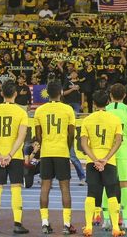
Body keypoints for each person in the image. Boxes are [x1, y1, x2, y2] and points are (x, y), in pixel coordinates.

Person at [0, 80, 30, 234]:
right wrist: (10, 155)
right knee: (16, 189)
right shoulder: (21, 112)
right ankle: (17, 223)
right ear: (16, 94)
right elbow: (21, 136)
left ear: (2, 93)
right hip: (15, 156)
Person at [33, 81, 77, 235]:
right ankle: (66, 224)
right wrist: (67, 146)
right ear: (61, 92)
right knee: (65, 188)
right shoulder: (68, 109)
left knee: (45, 187)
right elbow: (71, 133)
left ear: (48, 93)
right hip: (61, 152)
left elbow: (38, 135)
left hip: (46, 152)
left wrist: (44, 144)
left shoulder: (40, 110)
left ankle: (44, 223)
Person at [79, 90, 124, 237]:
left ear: (93, 104)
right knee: (112, 193)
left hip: (93, 161)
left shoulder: (87, 120)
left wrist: (94, 159)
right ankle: (116, 228)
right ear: (107, 103)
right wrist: (106, 158)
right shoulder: (114, 119)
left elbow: (84, 143)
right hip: (109, 161)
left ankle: (88, 227)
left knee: (91, 193)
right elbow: (118, 141)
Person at [100, 84, 127, 231]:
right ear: (124, 95)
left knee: (106, 185)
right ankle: (126, 219)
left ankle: (106, 220)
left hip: (107, 151)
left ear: (110, 95)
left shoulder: (105, 110)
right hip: (123, 151)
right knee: (125, 186)